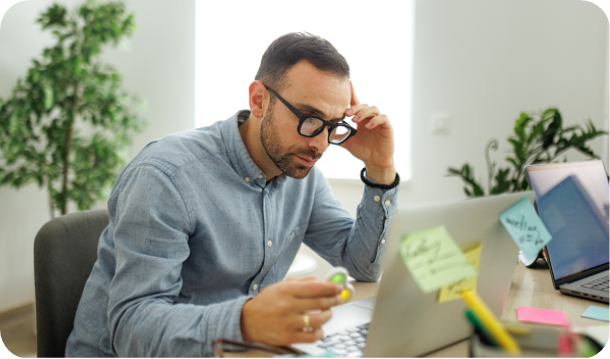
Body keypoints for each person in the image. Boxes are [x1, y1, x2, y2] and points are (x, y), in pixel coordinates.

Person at [66, 32, 400, 358]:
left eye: (332, 126)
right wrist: (245, 322)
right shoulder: (165, 176)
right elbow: (131, 333)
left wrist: (380, 168)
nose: (321, 144)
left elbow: (363, 264)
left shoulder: (302, 174)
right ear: (259, 100)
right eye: (310, 119)